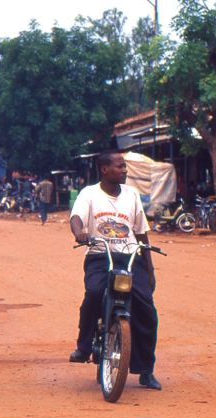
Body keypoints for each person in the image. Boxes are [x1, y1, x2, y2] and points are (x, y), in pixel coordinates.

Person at [68, 152, 162, 390]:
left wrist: (149, 269)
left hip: (131, 256)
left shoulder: (131, 195)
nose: (125, 170)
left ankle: (146, 370)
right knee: (94, 292)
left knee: (146, 310)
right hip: (100, 254)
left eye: (125, 166)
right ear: (104, 170)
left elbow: (141, 231)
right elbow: (77, 217)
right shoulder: (89, 194)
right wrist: (79, 232)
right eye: (120, 166)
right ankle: (84, 346)